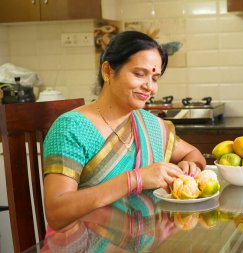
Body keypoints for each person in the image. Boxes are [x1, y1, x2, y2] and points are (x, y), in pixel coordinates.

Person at [43, 31, 206, 231]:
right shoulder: (72, 128)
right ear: (108, 71)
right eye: (139, 74)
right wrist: (134, 179)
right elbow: (57, 213)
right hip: (86, 243)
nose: (150, 87)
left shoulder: (149, 124)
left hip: (144, 239)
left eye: (155, 78)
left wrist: (190, 165)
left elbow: (194, 154)